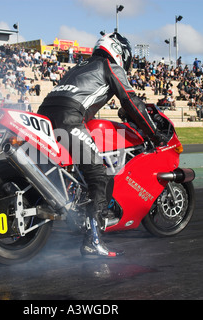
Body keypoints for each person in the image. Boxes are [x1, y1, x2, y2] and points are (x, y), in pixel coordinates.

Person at [37, 32, 170, 258]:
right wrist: (154, 133)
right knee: (98, 175)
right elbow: (131, 102)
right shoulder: (109, 66)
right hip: (68, 119)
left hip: (45, 117)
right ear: (119, 52)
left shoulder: (78, 67)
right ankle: (93, 240)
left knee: (70, 170)